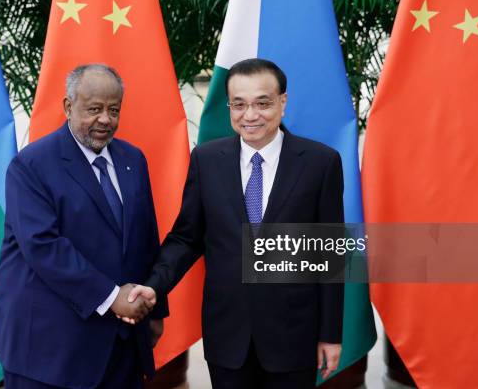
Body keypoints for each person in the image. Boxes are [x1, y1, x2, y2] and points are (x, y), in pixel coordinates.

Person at [128, 58, 344, 388]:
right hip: (228, 337)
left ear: (282, 102)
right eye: (239, 105)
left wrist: (330, 335)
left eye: (262, 103)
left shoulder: (320, 163)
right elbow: (186, 238)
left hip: (294, 337)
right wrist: (154, 286)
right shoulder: (207, 160)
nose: (250, 115)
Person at [0, 64, 166, 389]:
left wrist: (155, 311)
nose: (105, 120)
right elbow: (43, 246)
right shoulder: (31, 165)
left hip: (122, 342)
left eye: (114, 110)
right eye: (94, 109)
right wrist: (112, 296)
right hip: (48, 350)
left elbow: (144, 237)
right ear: (68, 107)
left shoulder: (133, 159)